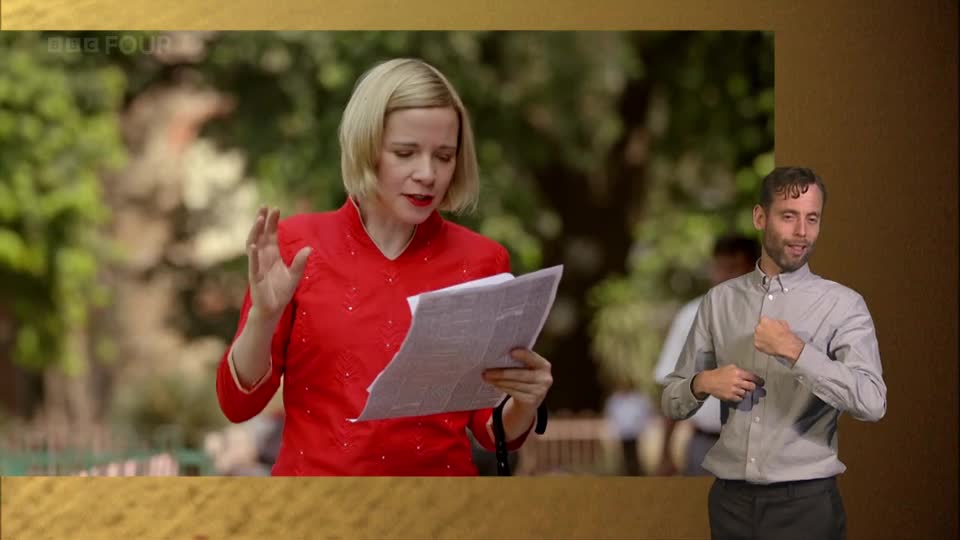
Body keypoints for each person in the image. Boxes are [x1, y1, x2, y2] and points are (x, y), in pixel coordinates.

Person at [215, 58, 554, 476]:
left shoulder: (483, 260)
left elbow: (488, 431)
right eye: (405, 153)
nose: (427, 174)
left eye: (444, 156)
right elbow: (237, 404)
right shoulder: (294, 246)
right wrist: (263, 319)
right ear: (365, 147)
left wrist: (525, 400)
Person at [661, 167, 886, 539]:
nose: (802, 232)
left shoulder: (844, 305)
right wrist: (702, 383)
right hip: (729, 503)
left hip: (806, 506)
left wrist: (797, 351)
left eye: (812, 219)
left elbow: (873, 401)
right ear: (760, 217)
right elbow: (671, 400)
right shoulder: (719, 301)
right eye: (789, 216)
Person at [653, 235, 759, 476]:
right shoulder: (691, 316)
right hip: (706, 445)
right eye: (719, 267)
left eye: (733, 268)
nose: (723, 276)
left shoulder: (776, 315)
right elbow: (674, 387)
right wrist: (664, 451)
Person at [603, 383, 653, 475]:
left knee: (634, 454)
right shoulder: (615, 400)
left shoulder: (637, 399)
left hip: (634, 432)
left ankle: (635, 471)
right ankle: (627, 471)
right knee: (624, 455)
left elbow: (644, 414)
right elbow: (612, 416)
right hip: (623, 432)